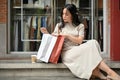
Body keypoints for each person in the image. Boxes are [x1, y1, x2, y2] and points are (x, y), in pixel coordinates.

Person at [40, 4, 120, 80]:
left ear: (72, 15)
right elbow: (54, 39)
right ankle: (108, 72)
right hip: (66, 53)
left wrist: (67, 35)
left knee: (93, 42)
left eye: (66, 14)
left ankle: (97, 72)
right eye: (63, 14)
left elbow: (79, 41)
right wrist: (47, 33)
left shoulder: (80, 26)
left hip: (76, 48)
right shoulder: (59, 26)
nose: (63, 16)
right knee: (91, 46)